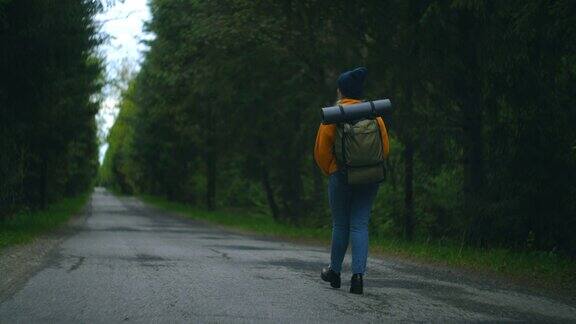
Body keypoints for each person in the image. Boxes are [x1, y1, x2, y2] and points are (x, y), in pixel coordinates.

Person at [314, 67, 390, 294]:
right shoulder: (374, 114)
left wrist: (332, 170)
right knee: (359, 224)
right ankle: (358, 278)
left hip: (341, 175)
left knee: (340, 224)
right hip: (370, 177)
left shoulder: (334, 115)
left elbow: (321, 152)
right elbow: (384, 149)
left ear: (341, 91)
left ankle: (334, 272)